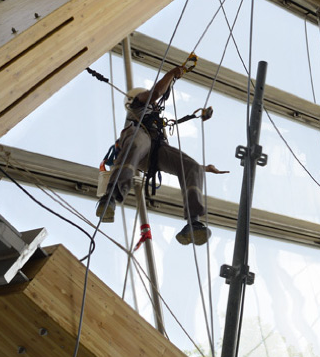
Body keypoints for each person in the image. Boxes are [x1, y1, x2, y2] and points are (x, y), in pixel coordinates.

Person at [96, 54, 227, 245]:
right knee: (138, 143)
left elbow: (157, 99)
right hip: (137, 140)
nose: (157, 104)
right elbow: (156, 93)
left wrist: (204, 167)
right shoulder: (138, 105)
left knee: (193, 168)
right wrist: (173, 73)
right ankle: (110, 198)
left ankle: (193, 222)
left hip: (155, 150)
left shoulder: (155, 118)